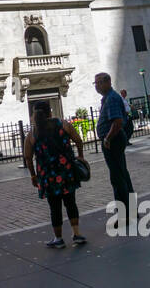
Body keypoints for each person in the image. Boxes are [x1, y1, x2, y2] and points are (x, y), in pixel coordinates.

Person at [22, 100, 88, 248]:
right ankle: (77, 233)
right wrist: (80, 156)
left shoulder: (32, 133)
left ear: (34, 115)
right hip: (66, 171)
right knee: (71, 202)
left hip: (47, 175)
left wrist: (33, 175)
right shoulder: (63, 124)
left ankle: (58, 238)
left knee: (54, 207)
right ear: (50, 112)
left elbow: (27, 157)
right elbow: (78, 140)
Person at [94, 72, 136, 224]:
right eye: (95, 83)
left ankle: (124, 215)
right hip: (115, 139)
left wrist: (107, 138)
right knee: (122, 173)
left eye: (98, 83)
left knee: (117, 177)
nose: (96, 86)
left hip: (113, 141)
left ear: (106, 82)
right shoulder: (109, 98)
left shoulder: (111, 99)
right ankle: (131, 210)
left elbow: (117, 122)